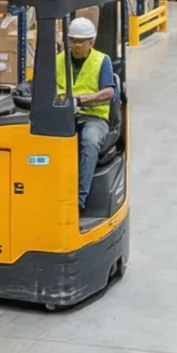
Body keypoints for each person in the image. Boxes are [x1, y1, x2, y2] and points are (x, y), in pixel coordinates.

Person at [55, 18, 117, 211]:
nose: (76, 45)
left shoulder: (101, 60)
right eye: (73, 40)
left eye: (81, 41)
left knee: (89, 141)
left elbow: (109, 92)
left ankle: (79, 201)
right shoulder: (59, 59)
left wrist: (81, 100)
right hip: (62, 114)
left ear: (91, 41)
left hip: (93, 116)